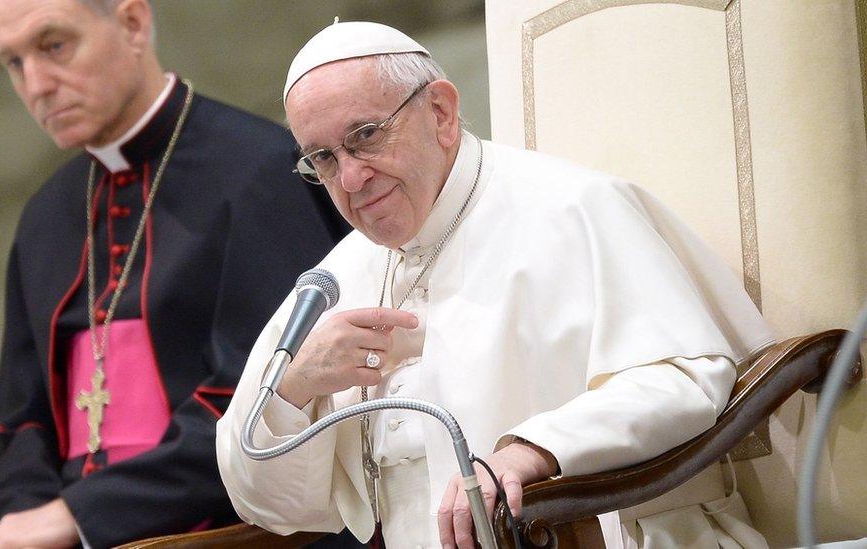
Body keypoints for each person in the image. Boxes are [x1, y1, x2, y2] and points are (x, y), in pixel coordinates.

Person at [216, 21, 777, 549]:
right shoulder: (341, 276)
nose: (350, 178)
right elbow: (272, 505)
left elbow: (686, 378)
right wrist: (295, 387)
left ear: (440, 111)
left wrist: (535, 450)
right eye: (323, 159)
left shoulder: (570, 209)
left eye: (365, 137)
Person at [0, 1, 351, 547]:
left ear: (132, 23)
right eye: (13, 62)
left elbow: (265, 403)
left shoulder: (262, 172)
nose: (36, 84)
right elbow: (20, 423)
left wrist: (78, 516)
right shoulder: (45, 217)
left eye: (53, 45)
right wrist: (21, 522)